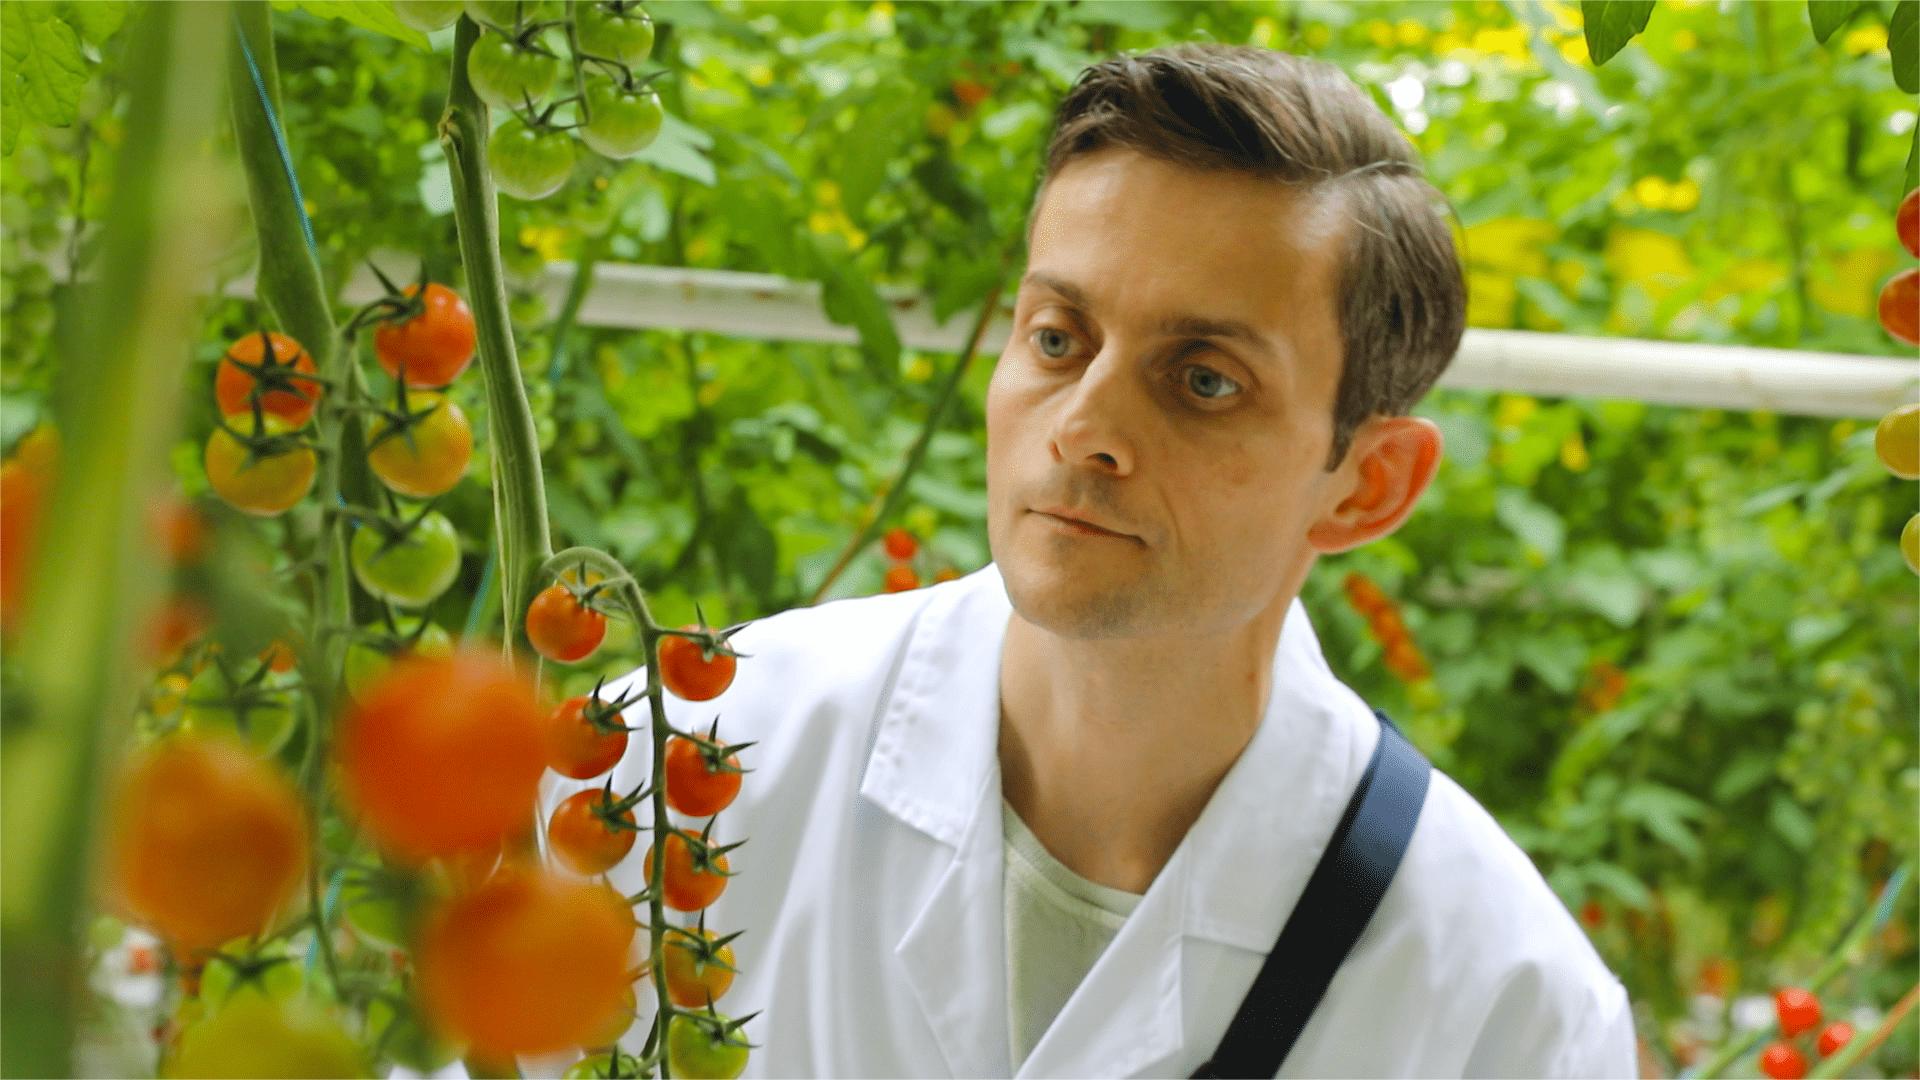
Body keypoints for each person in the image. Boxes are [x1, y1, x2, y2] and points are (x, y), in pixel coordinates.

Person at [531, 42, 1636, 1079]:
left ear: (1369, 483)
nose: (1082, 426)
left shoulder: (1505, 1007)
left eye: (1204, 379)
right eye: (1058, 338)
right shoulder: (674, 777)